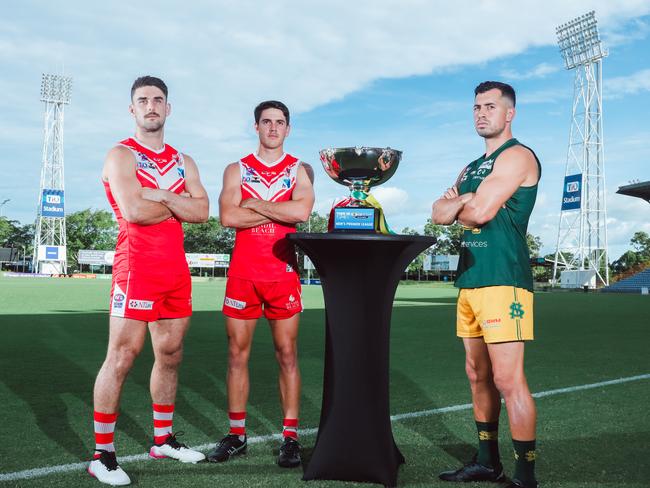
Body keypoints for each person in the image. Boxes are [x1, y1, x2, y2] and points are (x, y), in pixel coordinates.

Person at [90, 76, 209, 486]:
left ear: (168, 108)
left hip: (175, 270)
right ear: (132, 109)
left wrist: (160, 196)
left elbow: (202, 212)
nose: (151, 106)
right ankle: (102, 454)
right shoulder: (121, 155)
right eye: (143, 100)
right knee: (122, 356)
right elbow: (134, 212)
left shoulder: (184, 161)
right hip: (136, 266)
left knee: (171, 354)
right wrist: (178, 204)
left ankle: (163, 440)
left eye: (158, 99)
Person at [431, 81, 541, 488]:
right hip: (471, 279)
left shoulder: (518, 157)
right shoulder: (471, 167)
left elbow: (478, 212)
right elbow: (438, 212)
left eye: (490, 106)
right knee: (476, 374)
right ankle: (486, 462)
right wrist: (462, 202)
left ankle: (525, 475)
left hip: (503, 280)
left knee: (509, 380)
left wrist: (461, 202)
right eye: (476, 106)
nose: (481, 113)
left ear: (509, 113)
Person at [207, 100, 314, 468]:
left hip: (281, 273)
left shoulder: (299, 169)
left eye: (279, 122)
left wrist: (253, 204)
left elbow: (300, 212)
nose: (272, 128)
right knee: (237, 354)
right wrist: (275, 207)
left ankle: (290, 437)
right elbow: (226, 215)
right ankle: (237, 435)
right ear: (256, 127)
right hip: (243, 275)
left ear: (288, 128)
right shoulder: (236, 169)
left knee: (287, 353)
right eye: (266, 122)